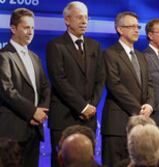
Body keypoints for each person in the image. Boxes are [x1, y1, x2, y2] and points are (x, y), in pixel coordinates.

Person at [46, 1, 105, 166]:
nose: (84, 21)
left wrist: (92, 106)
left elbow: (100, 79)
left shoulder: (95, 46)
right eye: (79, 17)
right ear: (67, 20)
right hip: (65, 117)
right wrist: (82, 107)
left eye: (86, 17)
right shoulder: (55, 46)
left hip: (89, 120)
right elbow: (59, 80)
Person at [101, 11, 154, 166]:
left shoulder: (141, 55)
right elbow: (114, 85)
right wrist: (138, 109)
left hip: (140, 126)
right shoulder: (110, 54)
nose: (136, 30)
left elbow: (149, 84)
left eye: (138, 26)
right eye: (131, 26)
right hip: (117, 125)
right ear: (120, 29)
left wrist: (149, 105)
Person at [0, 8, 50, 167]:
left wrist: (42, 110)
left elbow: (45, 87)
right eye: (26, 27)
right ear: (13, 29)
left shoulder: (34, 57)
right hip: (13, 131)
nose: (31, 32)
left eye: (33, 28)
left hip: (34, 130)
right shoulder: (4, 56)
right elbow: (7, 91)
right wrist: (32, 112)